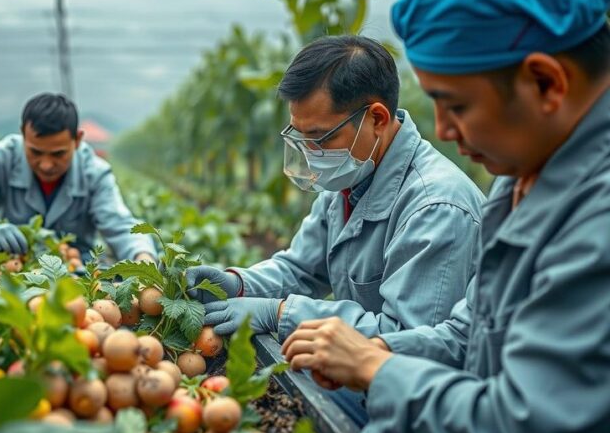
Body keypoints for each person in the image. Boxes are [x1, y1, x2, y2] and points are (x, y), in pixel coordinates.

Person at [282, 0, 610, 433]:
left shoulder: (594, 220)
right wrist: (374, 351)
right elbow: (466, 334)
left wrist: (379, 369)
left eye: (456, 105)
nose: (442, 129)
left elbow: (527, 419)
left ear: (547, 83)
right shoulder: (517, 180)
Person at [187, 35, 484, 343]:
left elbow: (408, 340)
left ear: (377, 119)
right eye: (301, 138)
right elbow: (302, 269)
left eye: (320, 137)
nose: (312, 154)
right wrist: (238, 285)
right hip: (358, 373)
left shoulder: (436, 207)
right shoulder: (350, 178)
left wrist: (280, 314)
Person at [0, 93, 156, 263]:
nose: (46, 165)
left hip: (72, 264)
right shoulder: (0, 158)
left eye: (58, 154)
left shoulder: (94, 172)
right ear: (23, 134)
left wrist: (142, 257)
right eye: (35, 152)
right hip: (11, 260)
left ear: (77, 140)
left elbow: (120, 225)